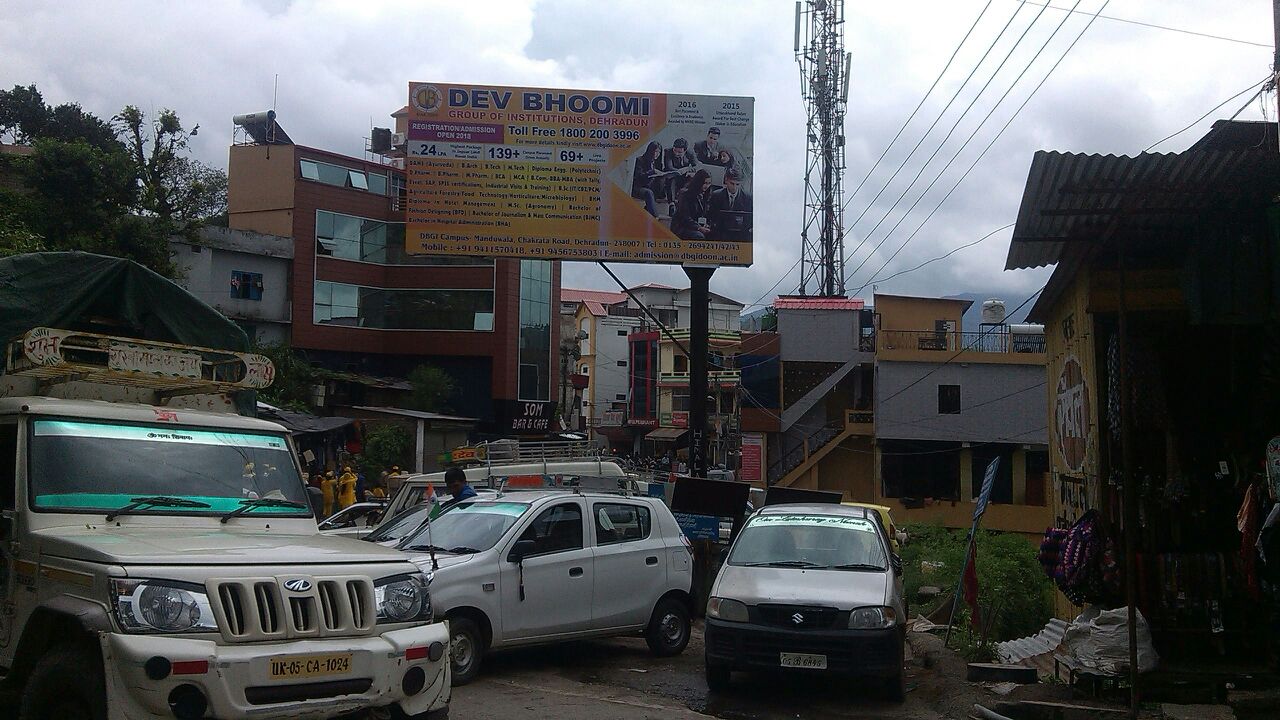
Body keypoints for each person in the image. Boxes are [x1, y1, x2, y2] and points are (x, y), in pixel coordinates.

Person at [708, 167, 753, 242]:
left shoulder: (748, 197)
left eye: (737, 184)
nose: (734, 187)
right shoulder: (716, 195)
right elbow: (711, 216)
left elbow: (750, 219)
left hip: (741, 233)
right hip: (720, 231)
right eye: (732, 183)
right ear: (726, 180)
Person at [671, 169, 713, 240]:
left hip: (697, 224)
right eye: (705, 183)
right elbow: (684, 217)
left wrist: (707, 224)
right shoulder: (685, 194)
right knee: (699, 236)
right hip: (682, 226)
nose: (707, 186)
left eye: (709, 183)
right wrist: (699, 227)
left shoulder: (706, 194)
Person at [663, 138, 698, 211]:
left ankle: (685, 202)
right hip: (673, 175)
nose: (676, 154)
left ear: (685, 151)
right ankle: (671, 204)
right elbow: (669, 167)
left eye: (679, 152)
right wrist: (680, 171)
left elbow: (696, 166)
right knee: (671, 179)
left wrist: (688, 170)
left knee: (693, 178)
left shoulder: (690, 153)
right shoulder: (668, 151)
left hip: (685, 175)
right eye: (675, 150)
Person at [631, 141, 664, 217]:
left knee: (661, 183)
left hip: (650, 186)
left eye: (659, 152)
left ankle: (648, 209)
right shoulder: (640, 160)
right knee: (648, 193)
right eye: (655, 151)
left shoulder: (657, 163)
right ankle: (655, 216)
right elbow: (638, 177)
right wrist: (651, 172)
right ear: (650, 151)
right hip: (638, 187)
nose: (657, 154)